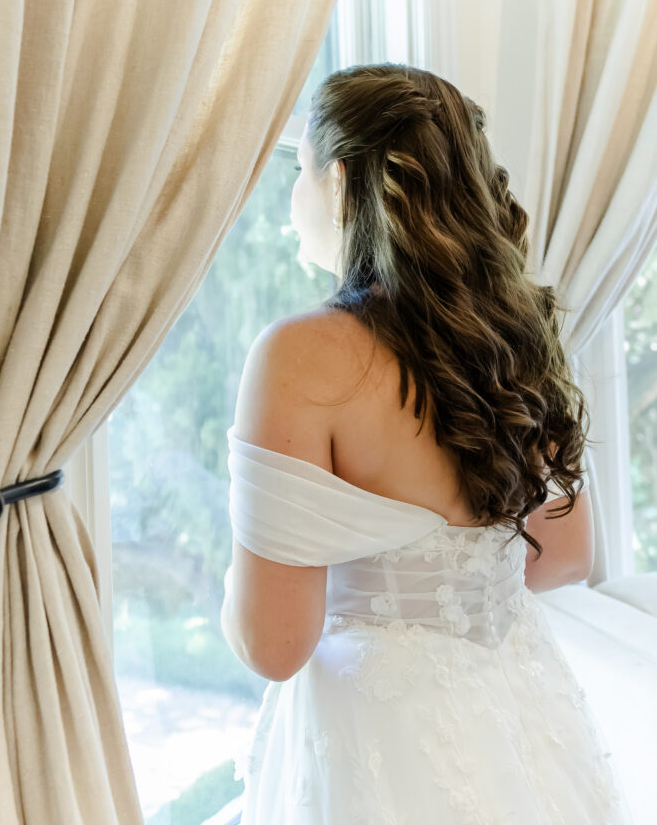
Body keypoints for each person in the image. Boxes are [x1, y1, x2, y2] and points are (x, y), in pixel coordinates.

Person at [221, 63, 634, 823]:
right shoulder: (514, 334)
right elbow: (566, 554)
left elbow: (272, 644)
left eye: (298, 171)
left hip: (378, 734)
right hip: (512, 707)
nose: (292, 198)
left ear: (342, 181)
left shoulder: (299, 356)